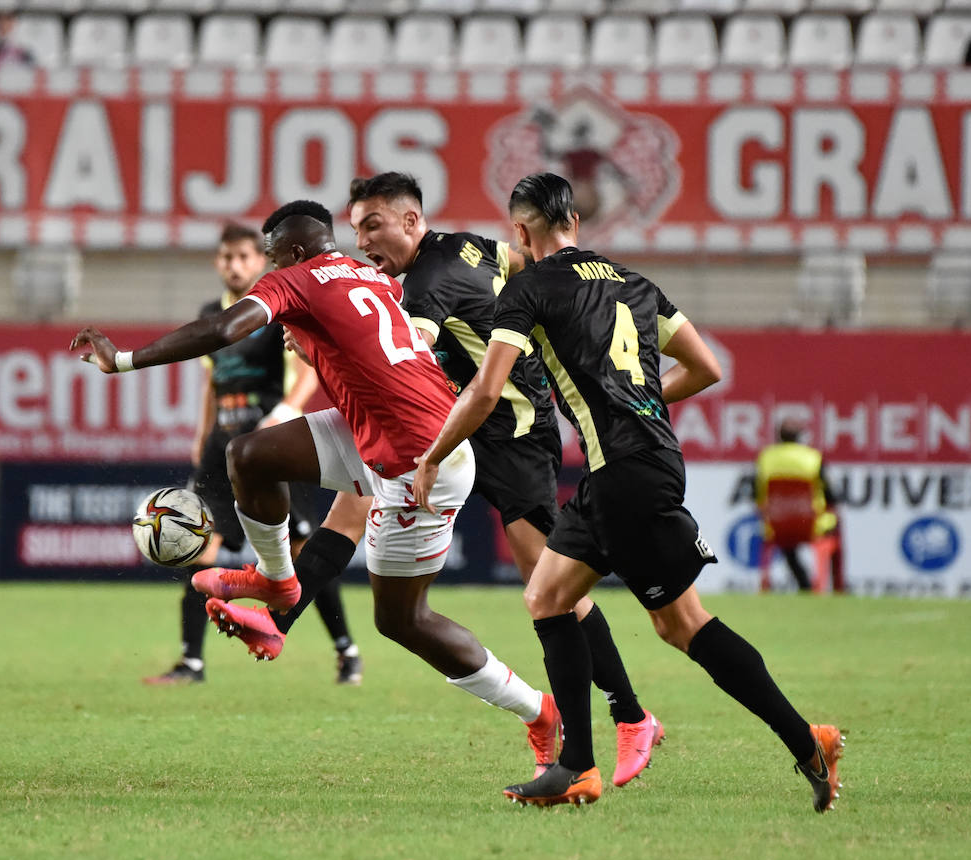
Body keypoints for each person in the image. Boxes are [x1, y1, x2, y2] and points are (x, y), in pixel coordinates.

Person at [71, 200, 562, 778]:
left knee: (403, 621)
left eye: (271, 256)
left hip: (420, 461)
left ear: (294, 253)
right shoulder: (370, 275)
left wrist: (123, 358)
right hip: (387, 428)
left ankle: (539, 712)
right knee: (248, 456)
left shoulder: (295, 278)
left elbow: (225, 328)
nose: (265, 271)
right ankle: (278, 582)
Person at [413, 173, 843, 811]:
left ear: (521, 234)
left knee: (679, 623)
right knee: (556, 598)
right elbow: (707, 368)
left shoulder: (527, 287)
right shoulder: (636, 285)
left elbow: (482, 391)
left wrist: (431, 459)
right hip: (640, 465)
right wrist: (637, 403)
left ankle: (805, 739)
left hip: (622, 474)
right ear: (576, 224)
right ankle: (578, 766)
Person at [223, 171, 665, 787]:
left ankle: (632, 713)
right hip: (457, 421)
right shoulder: (474, 247)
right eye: (355, 231)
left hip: (509, 430)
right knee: (352, 505)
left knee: (550, 584)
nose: (363, 242)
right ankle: (280, 618)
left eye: (373, 227)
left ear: (411, 220)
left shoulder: (425, 286)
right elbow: (522, 264)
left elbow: (406, 350)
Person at [145, 223, 362, 686]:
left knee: (303, 554)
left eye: (243, 256)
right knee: (199, 550)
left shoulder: (273, 311)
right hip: (219, 449)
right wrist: (201, 437)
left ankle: (347, 651)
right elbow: (211, 383)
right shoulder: (210, 313)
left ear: (260, 261)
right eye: (226, 257)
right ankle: (191, 663)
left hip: (274, 447)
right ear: (217, 262)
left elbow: (306, 368)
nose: (234, 265)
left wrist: (287, 409)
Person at [754, 420, 846, 594]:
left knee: (788, 543)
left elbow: (758, 494)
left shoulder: (766, 457)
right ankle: (838, 587)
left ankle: (804, 584)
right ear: (800, 438)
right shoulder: (813, 458)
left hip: (776, 525)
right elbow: (832, 497)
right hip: (812, 525)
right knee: (837, 524)